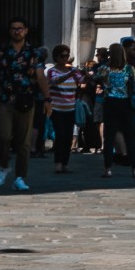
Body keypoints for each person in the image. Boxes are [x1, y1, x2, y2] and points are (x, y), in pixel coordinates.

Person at [0, 20, 48, 191]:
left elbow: (41, 77)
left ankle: (20, 176)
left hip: (26, 100)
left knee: (24, 141)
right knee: (3, 136)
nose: (17, 32)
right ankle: (4, 166)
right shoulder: (1, 53)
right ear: (9, 31)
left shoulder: (34, 53)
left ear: (26, 31)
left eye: (20, 29)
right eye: (13, 29)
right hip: (5, 99)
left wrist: (48, 98)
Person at [98, 44, 135, 178]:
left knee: (109, 137)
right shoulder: (129, 69)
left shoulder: (105, 68)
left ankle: (108, 168)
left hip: (110, 102)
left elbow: (95, 79)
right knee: (130, 136)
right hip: (125, 102)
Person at [44, 46, 87, 174]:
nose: (65, 58)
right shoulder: (52, 71)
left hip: (70, 108)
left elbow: (82, 81)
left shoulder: (73, 70)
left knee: (68, 137)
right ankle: (58, 163)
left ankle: (65, 163)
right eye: (62, 56)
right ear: (56, 57)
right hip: (56, 108)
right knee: (60, 135)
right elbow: (55, 81)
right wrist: (69, 74)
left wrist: (87, 75)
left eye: (66, 56)